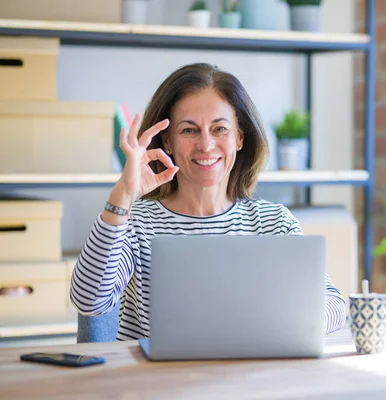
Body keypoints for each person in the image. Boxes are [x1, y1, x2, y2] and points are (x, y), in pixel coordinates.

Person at [69, 63, 347, 341]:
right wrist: (124, 194)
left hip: (247, 379)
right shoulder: (136, 223)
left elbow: (334, 305)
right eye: (189, 130)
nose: (205, 145)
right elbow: (89, 300)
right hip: (156, 383)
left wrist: (290, 320)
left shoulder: (271, 222)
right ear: (167, 141)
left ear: (240, 137)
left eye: (220, 129)